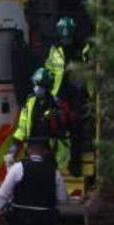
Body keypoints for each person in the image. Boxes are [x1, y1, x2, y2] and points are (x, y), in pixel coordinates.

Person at [45, 16, 91, 176]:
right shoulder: (54, 49)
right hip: (59, 96)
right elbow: (49, 70)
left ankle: (74, 166)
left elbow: (90, 67)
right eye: (64, 36)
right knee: (54, 129)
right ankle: (53, 165)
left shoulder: (82, 47)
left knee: (76, 131)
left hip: (77, 94)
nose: (66, 39)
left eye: (68, 36)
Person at [0, 137, 68, 225]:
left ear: (28, 150)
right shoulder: (54, 172)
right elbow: (63, 199)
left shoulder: (18, 168)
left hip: (20, 220)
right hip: (45, 222)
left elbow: (3, 194)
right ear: (45, 151)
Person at [4, 68, 71, 172]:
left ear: (46, 87)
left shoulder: (55, 104)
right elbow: (23, 127)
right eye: (35, 84)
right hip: (32, 148)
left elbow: (62, 129)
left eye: (39, 85)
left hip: (49, 150)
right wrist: (14, 148)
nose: (36, 88)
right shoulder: (30, 102)